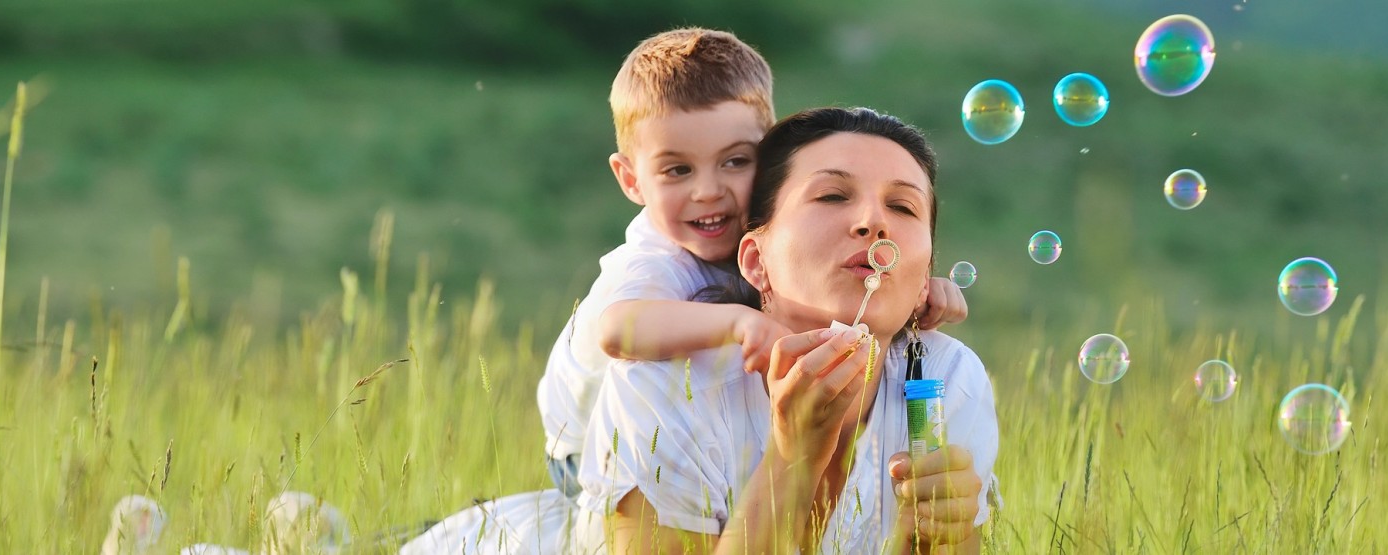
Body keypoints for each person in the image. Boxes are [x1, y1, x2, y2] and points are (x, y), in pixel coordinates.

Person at [402, 107, 998, 554]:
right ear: (755, 261)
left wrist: (935, 538)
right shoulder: (668, 378)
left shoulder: (944, 379)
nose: (872, 221)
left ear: (925, 277)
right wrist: (791, 458)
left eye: (904, 208)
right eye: (833, 195)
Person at [536, 28, 968, 501]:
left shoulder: (760, 233)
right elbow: (617, 331)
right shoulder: (652, 259)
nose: (708, 190)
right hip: (582, 453)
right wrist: (740, 322)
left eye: (735, 162)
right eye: (678, 170)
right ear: (632, 180)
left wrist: (919, 288)